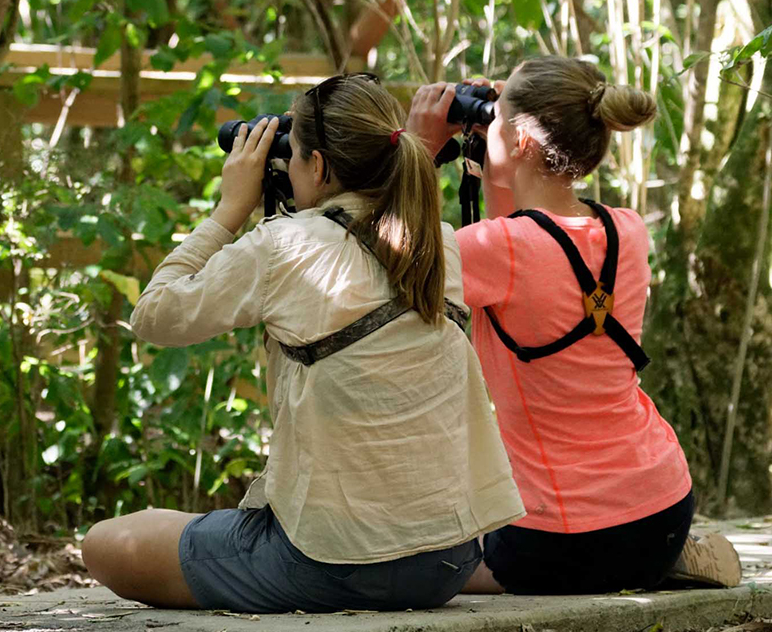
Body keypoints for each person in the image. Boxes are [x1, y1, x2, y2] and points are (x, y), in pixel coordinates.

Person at [80, 74, 525, 614]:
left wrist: (230, 210)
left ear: (316, 166)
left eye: (295, 154)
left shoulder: (287, 245)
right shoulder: (440, 243)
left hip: (329, 561)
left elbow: (152, 315)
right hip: (446, 563)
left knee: (105, 544)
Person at [407, 56, 742, 595]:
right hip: (663, 508)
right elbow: (523, 241)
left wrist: (417, 149)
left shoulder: (499, 252)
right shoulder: (626, 230)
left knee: (415, 565)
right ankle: (667, 560)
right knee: (623, 551)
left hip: (558, 539)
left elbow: (386, 252)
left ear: (521, 142)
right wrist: (503, 150)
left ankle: (613, 568)